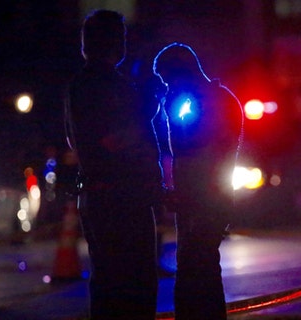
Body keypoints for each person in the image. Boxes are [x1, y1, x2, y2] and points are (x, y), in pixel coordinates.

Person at [65, 9, 159, 319]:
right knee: (132, 283)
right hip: (120, 199)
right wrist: (145, 109)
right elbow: (109, 141)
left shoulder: (82, 84)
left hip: (103, 195)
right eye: (121, 37)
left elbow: (78, 142)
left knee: (109, 283)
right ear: (113, 42)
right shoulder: (102, 85)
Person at [152, 42, 243, 319]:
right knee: (198, 266)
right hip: (200, 197)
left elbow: (188, 146)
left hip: (205, 198)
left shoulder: (204, 101)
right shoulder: (215, 98)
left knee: (197, 268)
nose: (167, 87)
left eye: (168, 79)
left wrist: (169, 114)